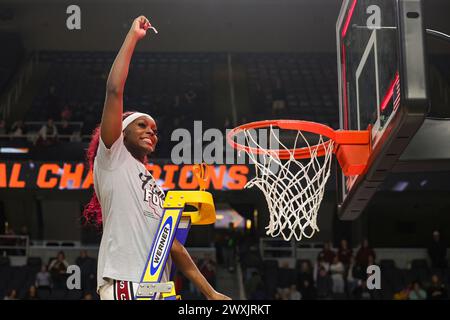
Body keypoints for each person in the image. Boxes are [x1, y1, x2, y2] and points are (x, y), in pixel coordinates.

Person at [82, 16, 230, 301]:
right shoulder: (113, 157)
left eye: (154, 129)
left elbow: (174, 246)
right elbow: (114, 90)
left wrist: (210, 293)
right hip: (125, 284)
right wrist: (132, 37)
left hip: (158, 289)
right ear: (122, 132)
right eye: (142, 125)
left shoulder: (154, 186)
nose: (151, 131)